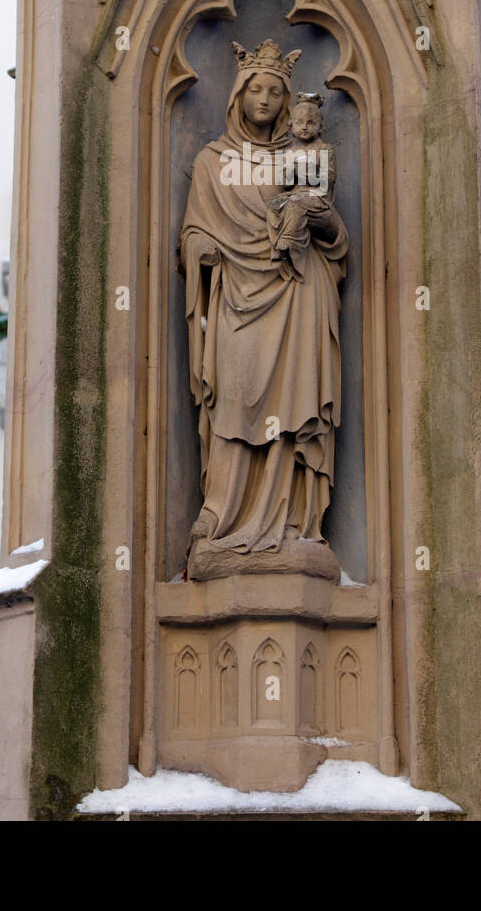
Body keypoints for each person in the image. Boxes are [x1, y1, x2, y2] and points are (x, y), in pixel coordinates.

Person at [178, 39, 348, 579]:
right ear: (238, 95)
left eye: (277, 92)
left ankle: (295, 523)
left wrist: (323, 224)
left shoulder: (302, 158)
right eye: (257, 89)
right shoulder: (212, 162)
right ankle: (223, 513)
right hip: (234, 299)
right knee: (235, 398)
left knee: (294, 411)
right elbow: (192, 234)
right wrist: (200, 250)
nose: (267, 100)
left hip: (299, 293)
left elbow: (336, 237)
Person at [266, 92, 336, 283]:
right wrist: (289, 169)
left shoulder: (324, 150)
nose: (304, 127)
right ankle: (279, 243)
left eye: (310, 123)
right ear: (291, 126)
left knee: (296, 204)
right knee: (274, 205)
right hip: (295, 195)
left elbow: (327, 179)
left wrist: (304, 171)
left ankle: (288, 241)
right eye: (299, 123)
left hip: (316, 197)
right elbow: (285, 183)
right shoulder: (290, 152)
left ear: (320, 127)